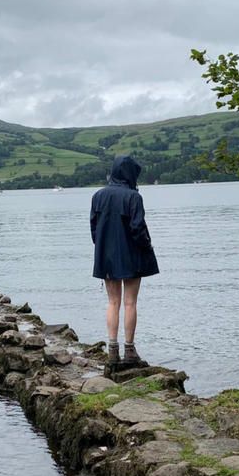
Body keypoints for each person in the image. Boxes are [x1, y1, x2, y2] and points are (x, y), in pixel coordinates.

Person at [90, 155, 159, 374]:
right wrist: (147, 246)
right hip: (131, 256)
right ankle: (129, 351)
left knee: (113, 303)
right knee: (130, 303)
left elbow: (94, 229)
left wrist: (102, 248)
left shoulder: (97, 196)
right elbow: (138, 229)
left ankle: (112, 351)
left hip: (107, 257)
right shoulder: (133, 197)